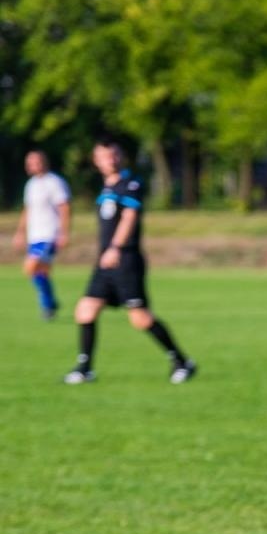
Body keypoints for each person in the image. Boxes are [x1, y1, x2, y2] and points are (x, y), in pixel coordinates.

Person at [63, 140, 196, 385]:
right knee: (86, 310)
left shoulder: (131, 184)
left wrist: (116, 248)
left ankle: (181, 361)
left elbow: (129, 217)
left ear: (121, 156)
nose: (109, 160)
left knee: (140, 319)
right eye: (104, 156)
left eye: (113, 155)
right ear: (96, 161)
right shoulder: (105, 188)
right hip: (105, 262)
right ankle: (84, 369)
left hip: (126, 260)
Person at [13, 150, 71, 320]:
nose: (34, 165)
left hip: (49, 234)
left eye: (37, 162)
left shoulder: (54, 182)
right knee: (40, 272)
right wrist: (20, 232)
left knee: (30, 267)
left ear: (45, 162)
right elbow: (28, 209)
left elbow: (64, 208)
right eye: (30, 162)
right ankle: (49, 305)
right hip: (34, 235)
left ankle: (49, 303)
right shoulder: (31, 184)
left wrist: (64, 232)